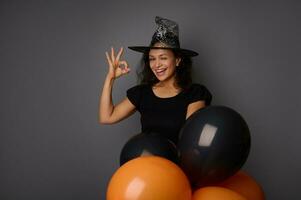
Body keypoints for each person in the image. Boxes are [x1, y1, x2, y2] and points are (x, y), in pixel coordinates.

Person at [99, 16, 212, 145]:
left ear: (177, 60)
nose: (156, 64)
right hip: (146, 163)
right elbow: (106, 117)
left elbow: (191, 138)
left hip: (178, 164)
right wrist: (110, 78)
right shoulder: (142, 93)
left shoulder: (194, 94)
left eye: (163, 58)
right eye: (152, 59)